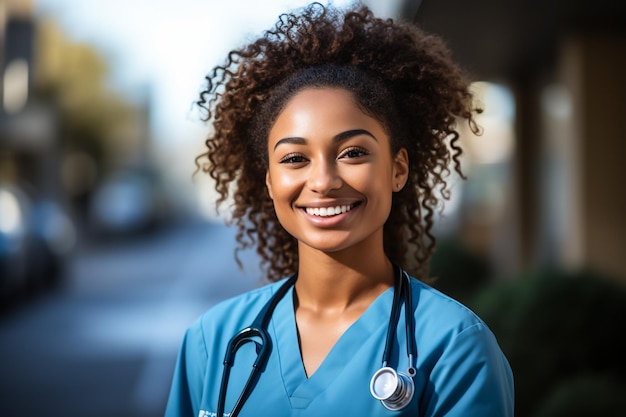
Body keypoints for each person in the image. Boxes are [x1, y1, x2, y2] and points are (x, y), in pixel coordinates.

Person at [165, 3, 514, 416]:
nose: (324, 181)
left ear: (398, 169)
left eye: (352, 152)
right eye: (295, 159)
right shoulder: (212, 341)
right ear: (270, 181)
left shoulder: (454, 348)